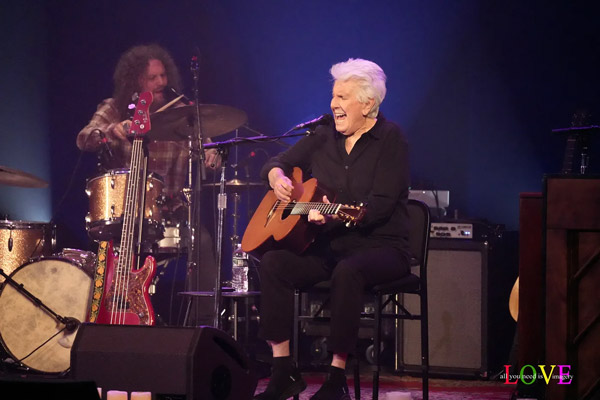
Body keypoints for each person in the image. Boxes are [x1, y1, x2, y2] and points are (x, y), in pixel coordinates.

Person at [253, 58, 411, 400]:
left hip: (382, 248)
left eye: (342, 97)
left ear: (367, 104)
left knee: (348, 271)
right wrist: (277, 177)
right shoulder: (323, 135)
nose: (333, 104)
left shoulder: (391, 139)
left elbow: (381, 204)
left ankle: (337, 378)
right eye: (333, 95)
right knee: (274, 263)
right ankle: (282, 372)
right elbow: (279, 162)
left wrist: (334, 217)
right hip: (330, 247)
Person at [77, 44, 219, 325]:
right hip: (126, 213)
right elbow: (84, 138)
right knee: (106, 251)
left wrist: (213, 155)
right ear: (135, 81)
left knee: (203, 242)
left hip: (171, 210)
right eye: (152, 78)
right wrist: (112, 130)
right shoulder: (114, 108)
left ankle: (201, 324)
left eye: (163, 75)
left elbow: (208, 148)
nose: (161, 82)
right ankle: (104, 318)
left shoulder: (182, 112)